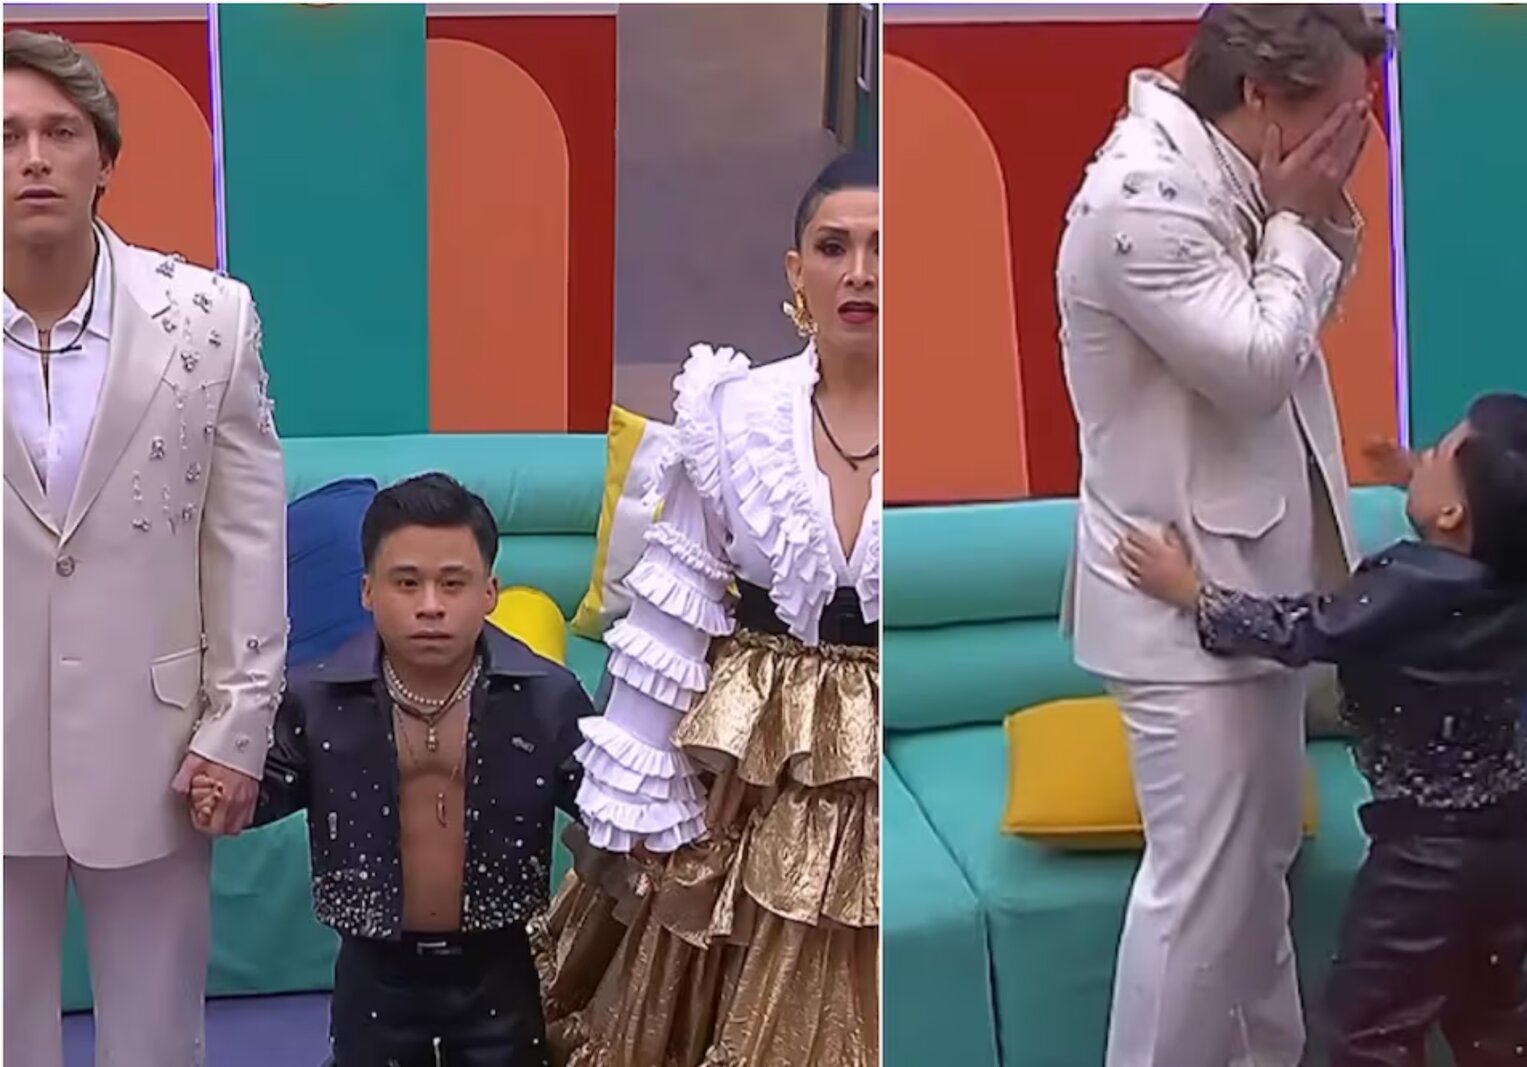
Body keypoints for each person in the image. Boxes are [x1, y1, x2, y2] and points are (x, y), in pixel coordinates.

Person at [1054, 7, 1391, 1065]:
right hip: (1178, 605)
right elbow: (1254, 365)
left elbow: (1300, 318)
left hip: (1254, 584)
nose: (1356, 136)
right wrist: (1296, 221)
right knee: (1199, 898)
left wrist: (1303, 214)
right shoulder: (1141, 202)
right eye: (1341, 115)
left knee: (1251, 877)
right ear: (1260, 95)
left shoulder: (1226, 171)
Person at [1115, 393, 1527, 1067]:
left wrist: (1192, 593)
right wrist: (1414, 474)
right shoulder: (1522, 580)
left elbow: (1307, 629)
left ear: (1454, 514)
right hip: (1510, 848)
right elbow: (1474, 542)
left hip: (1426, 863)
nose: (1424, 455)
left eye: (1437, 453)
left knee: (1369, 1033)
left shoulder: (1407, 586)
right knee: (1493, 1013)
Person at [540, 150, 881, 1066]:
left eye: (885, 249)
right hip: (749, 747)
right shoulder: (732, 412)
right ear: (796, 270)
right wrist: (640, 799)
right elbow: (674, 610)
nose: (859, 272)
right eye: (834, 247)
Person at [3, 29, 287, 1067]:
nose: (34, 158)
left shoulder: (210, 318)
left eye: (60, 133)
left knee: (158, 1039)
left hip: (158, 746)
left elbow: (247, 534)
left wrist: (238, 725)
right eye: (7, 136)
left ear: (105, 160)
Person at [191, 472, 594, 1067]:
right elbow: (261, 787)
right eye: (407, 582)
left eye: (452, 583)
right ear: (367, 591)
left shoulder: (546, 697)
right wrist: (220, 793)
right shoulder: (316, 698)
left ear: (490, 591)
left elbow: (607, 803)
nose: (430, 605)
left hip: (500, 968)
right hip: (373, 972)